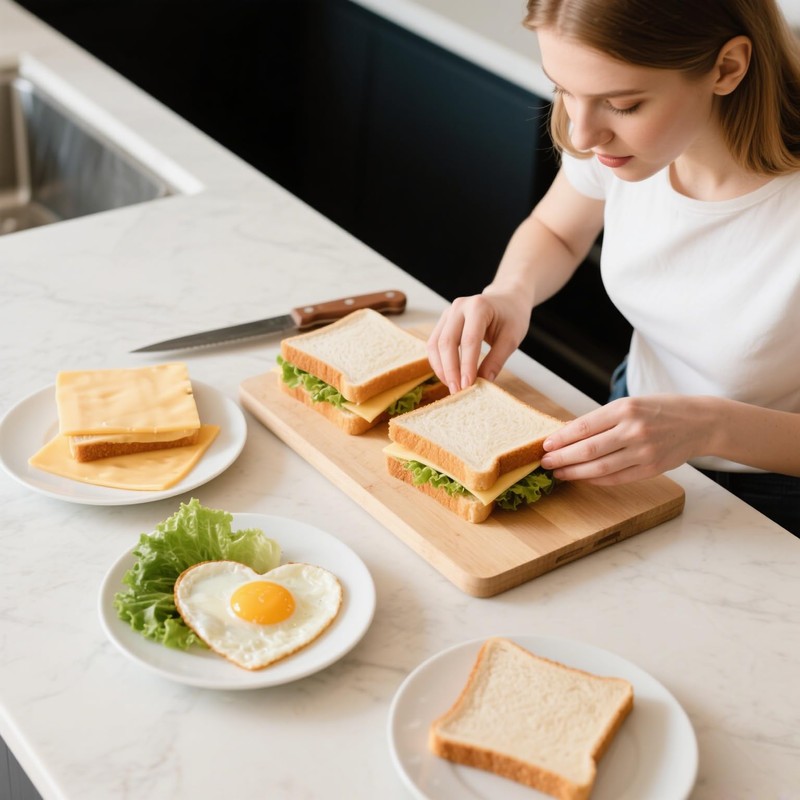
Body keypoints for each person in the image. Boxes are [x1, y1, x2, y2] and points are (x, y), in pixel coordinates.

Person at [426, 0, 800, 536]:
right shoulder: (619, 147)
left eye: (622, 104)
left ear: (727, 68)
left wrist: (710, 428)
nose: (580, 136)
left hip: (771, 492)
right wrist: (510, 291)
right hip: (634, 426)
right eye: (563, 89)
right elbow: (556, 230)